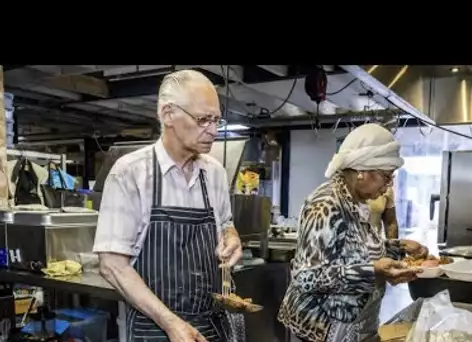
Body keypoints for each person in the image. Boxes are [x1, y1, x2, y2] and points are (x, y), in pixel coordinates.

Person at [93, 69, 243, 342]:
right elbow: (112, 265)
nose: (212, 130)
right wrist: (171, 324)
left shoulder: (215, 173)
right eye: (202, 119)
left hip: (212, 325)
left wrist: (231, 237)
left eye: (216, 120)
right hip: (155, 328)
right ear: (168, 114)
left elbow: (226, 224)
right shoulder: (131, 173)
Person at [278, 123, 429, 342]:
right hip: (323, 327)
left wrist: (399, 248)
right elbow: (306, 277)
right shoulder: (326, 205)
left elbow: (355, 250)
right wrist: (373, 271)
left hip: (357, 325)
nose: (388, 187)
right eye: (386, 177)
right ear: (361, 171)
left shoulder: (355, 201)